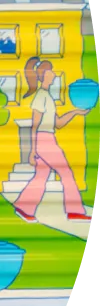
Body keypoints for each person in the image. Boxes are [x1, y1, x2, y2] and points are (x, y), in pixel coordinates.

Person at [13, 56, 92, 223]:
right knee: (66, 173)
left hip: (47, 138)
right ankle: (74, 211)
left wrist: (76, 112)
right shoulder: (41, 96)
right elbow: (34, 125)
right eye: (50, 71)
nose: (53, 74)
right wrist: (32, 150)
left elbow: (59, 123)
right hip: (44, 140)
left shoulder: (47, 97)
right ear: (43, 75)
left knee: (41, 176)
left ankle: (24, 207)